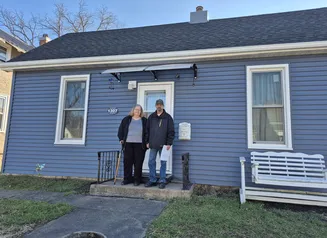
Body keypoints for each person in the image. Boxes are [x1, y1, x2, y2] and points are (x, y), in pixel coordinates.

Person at [145, 99, 175, 189]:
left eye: (160, 105)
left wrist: (169, 143)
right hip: (153, 144)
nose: (159, 106)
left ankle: (162, 180)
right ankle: (152, 179)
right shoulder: (151, 117)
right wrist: (147, 141)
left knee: (163, 162)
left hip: (164, 145)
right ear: (155, 106)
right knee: (151, 161)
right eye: (157, 105)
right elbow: (147, 130)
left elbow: (171, 131)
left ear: (163, 106)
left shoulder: (168, 117)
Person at [117, 104, 147, 186]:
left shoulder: (144, 120)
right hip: (128, 144)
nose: (138, 111)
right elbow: (121, 130)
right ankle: (127, 179)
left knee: (138, 163)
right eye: (136, 109)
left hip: (140, 145)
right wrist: (121, 139)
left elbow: (147, 133)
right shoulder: (126, 119)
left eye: (139, 110)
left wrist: (147, 142)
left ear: (141, 111)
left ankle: (137, 180)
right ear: (133, 110)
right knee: (127, 162)